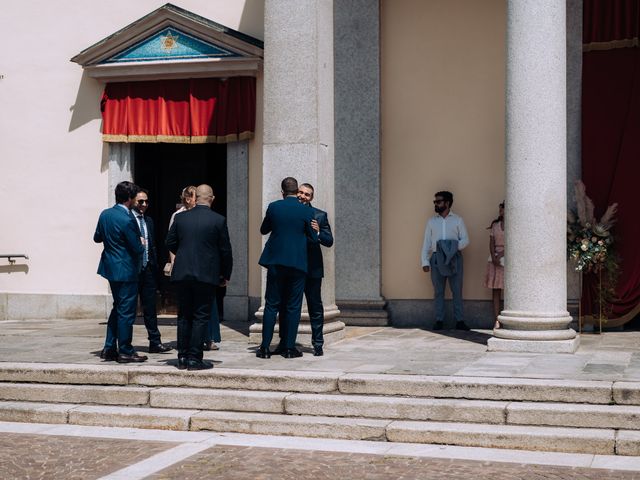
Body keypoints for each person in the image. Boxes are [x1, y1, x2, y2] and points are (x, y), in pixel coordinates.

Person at [166, 184, 233, 371]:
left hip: (182, 273)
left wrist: (185, 251)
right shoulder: (218, 220)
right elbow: (225, 250)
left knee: (184, 316)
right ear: (211, 198)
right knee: (201, 316)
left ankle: (182, 357)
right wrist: (225, 274)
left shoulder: (180, 218)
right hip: (206, 274)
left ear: (196, 198)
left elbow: (169, 242)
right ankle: (195, 358)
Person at [257, 177, 318, 359]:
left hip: (276, 261)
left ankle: (265, 348)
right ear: (296, 190)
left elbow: (263, 229)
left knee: (271, 305)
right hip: (298, 263)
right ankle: (290, 349)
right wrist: (314, 230)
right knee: (293, 306)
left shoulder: (274, 206)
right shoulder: (306, 211)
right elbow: (313, 240)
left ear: (282, 191)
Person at [94, 181, 147, 363]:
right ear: (130, 199)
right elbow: (137, 249)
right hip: (126, 270)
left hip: (110, 268)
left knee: (118, 308)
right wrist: (141, 243)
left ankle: (109, 348)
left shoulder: (105, 214)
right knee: (126, 312)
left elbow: (97, 238)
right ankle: (125, 350)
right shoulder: (127, 218)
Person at [421, 190, 470, 330]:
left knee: (457, 290)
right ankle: (439, 320)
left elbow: (466, 239)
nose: (435, 204)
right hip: (436, 259)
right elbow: (426, 242)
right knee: (438, 291)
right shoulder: (431, 221)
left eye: (438, 201)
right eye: (435, 201)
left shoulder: (458, 220)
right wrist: (424, 261)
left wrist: (451, 248)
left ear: (447, 203)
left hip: (454, 258)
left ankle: (460, 320)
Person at [132, 189, 172, 354]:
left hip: (148, 268)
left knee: (150, 309)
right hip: (133, 271)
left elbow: (153, 243)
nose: (144, 205)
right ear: (133, 200)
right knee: (126, 308)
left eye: (146, 201)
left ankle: (155, 342)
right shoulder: (128, 220)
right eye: (140, 201)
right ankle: (122, 344)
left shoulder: (149, 221)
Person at [296, 183, 334, 356]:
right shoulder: (290, 212)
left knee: (315, 306)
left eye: (307, 194)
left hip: (313, 268)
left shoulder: (319, 215)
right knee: (291, 305)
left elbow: (329, 240)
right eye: (301, 192)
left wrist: (318, 232)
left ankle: (318, 343)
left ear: (312, 198)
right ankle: (287, 342)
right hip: (293, 266)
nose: (303, 196)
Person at [485, 202, 505, 329]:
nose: (500, 212)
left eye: (502, 210)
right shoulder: (495, 225)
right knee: (496, 289)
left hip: (507, 256)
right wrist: (493, 256)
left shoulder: (513, 225)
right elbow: (491, 242)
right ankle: (497, 319)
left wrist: (502, 254)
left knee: (508, 289)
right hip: (495, 257)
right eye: (500, 210)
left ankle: (508, 318)